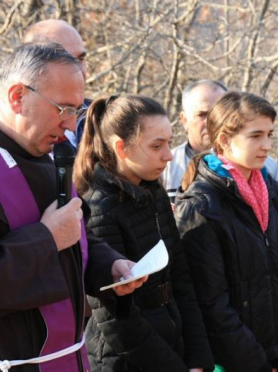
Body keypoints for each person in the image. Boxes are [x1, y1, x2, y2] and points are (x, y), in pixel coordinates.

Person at [0, 42, 144, 372]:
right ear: (18, 97)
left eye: (77, 110)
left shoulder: (50, 154)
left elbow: (75, 234)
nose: (69, 125)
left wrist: (109, 266)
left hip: (70, 356)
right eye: (62, 108)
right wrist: (46, 239)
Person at [73, 94, 213, 371]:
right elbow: (115, 320)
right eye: (156, 145)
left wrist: (198, 358)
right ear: (121, 147)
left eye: (169, 143)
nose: (169, 155)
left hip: (174, 340)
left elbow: (181, 277)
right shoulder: (98, 206)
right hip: (126, 360)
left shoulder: (154, 191)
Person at [175, 91, 278, 372]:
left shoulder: (271, 193)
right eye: (256, 136)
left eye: (270, 134)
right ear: (224, 140)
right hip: (231, 361)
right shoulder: (201, 205)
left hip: (277, 355)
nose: (267, 145)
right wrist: (255, 363)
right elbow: (211, 302)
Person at [164, 79, 278, 243]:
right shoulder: (166, 165)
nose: (212, 121)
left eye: (219, 113)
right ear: (184, 120)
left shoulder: (265, 167)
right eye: (202, 114)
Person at [24, 19, 89, 147]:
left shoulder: (99, 119)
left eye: (80, 59)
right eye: (67, 61)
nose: (80, 71)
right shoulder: (17, 132)